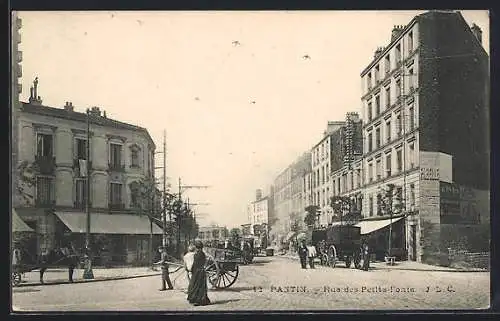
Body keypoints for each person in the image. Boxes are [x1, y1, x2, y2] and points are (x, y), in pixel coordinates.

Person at [187, 240, 211, 306]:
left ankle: (197, 300)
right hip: (201, 271)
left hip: (197, 272)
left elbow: (195, 263)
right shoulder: (202, 254)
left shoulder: (198, 254)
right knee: (200, 286)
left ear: (197, 247)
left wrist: (191, 269)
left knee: (195, 285)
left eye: (196, 247)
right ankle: (201, 300)